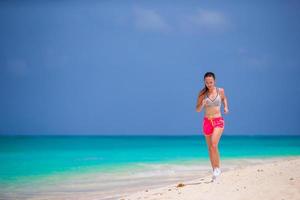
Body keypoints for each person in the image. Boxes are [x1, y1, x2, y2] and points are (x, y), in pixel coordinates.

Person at [195, 72, 229, 181]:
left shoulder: (220, 91)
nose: (209, 84)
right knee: (210, 149)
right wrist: (202, 104)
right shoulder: (202, 94)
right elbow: (197, 109)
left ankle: (218, 168)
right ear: (204, 82)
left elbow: (224, 99)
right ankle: (214, 171)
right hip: (207, 122)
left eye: (211, 82)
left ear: (214, 81)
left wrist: (226, 107)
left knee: (214, 145)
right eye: (207, 82)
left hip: (218, 120)